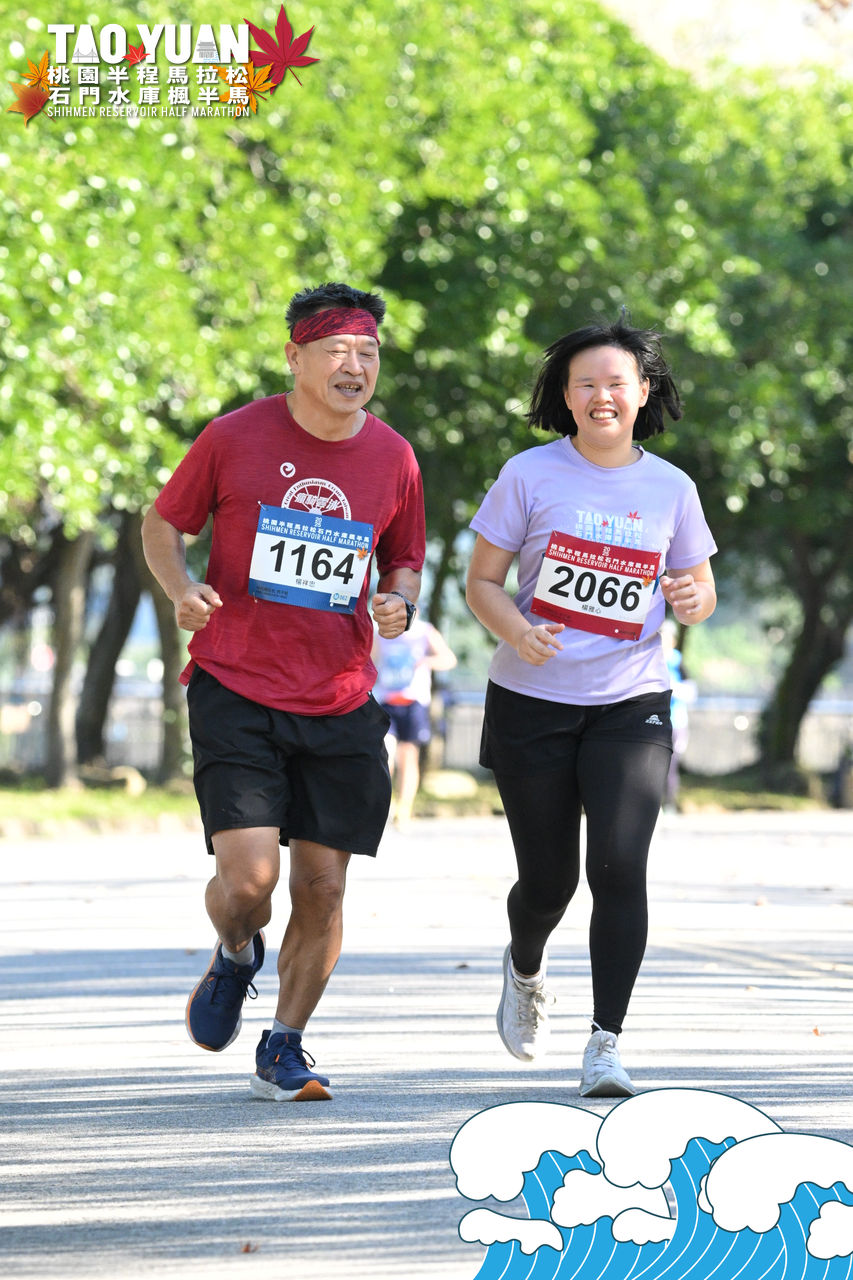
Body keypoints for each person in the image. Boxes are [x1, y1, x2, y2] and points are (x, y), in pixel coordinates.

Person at [141, 281, 425, 1102]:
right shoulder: (234, 436)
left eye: (368, 352)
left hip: (340, 696)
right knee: (249, 885)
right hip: (237, 685)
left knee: (324, 887)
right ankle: (236, 951)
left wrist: (398, 601)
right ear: (295, 358)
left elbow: (404, 556)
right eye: (337, 350)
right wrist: (181, 589)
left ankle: (285, 1045)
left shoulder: (394, 457)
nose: (355, 365)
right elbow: (164, 523)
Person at [466, 319, 716, 1098]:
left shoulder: (672, 489)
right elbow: (481, 582)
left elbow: (699, 590)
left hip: (630, 701)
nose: (601, 395)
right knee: (547, 884)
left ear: (643, 393)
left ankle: (605, 1043)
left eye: (616, 383)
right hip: (530, 700)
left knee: (617, 864)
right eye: (585, 384)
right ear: (565, 397)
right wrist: (517, 630)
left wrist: (691, 598)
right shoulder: (528, 475)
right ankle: (525, 969)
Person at [372, 619, 457, 827]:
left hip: (414, 702)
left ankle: (404, 809)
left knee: (408, 757)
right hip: (385, 701)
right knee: (385, 754)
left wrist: (424, 661)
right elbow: (369, 660)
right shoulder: (379, 630)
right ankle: (383, 804)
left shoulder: (424, 630)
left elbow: (448, 659)